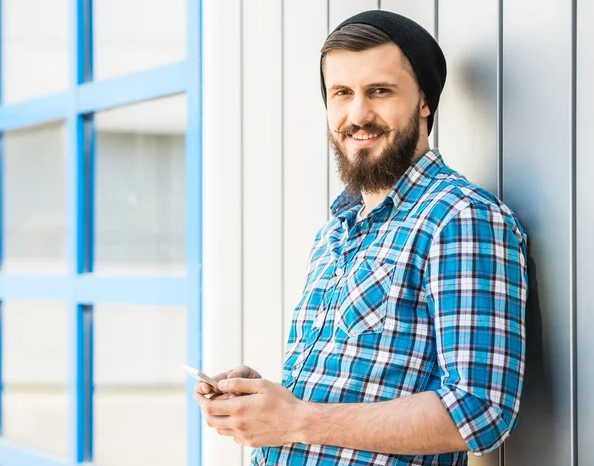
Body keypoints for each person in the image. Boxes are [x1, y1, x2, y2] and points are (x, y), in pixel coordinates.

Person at [194, 10, 528, 466]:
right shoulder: (334, 232)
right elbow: (347, 390)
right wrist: (265, 400)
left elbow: (478, 410)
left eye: (380, 91)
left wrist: (294, 418)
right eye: (342, 93)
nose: (358, 114)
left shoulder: (460, 217)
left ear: (424, 102)